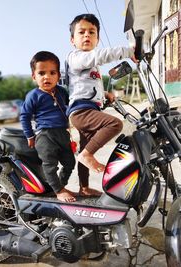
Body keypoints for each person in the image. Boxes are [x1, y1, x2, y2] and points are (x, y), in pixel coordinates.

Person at [66, 13, 137, 197]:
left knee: (85, 147)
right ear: (72, 40)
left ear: (98, 38)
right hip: (81, 112)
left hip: (87, 109)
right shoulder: (76, 57)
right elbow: (99, 56)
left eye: (92, 32)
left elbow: (86, 88)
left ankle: (84, 187)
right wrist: (129, 51)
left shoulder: (90, 65)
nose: (87, 35)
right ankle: (87, 156)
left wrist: (104, 96)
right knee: (114, 124)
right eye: (81, 32)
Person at [20, 51, 76, 202]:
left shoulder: (62, 92)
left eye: (52, 73)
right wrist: (30, 135)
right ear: (34, 76)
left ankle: (60, 186)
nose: (47, 77)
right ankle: (58, 190)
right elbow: (24, 116)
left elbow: (73, 104)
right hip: (45, 135)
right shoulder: (33, 95)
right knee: (50, 165)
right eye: (41, 73)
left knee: (70, 162)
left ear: (58, 75)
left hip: (63, 134)